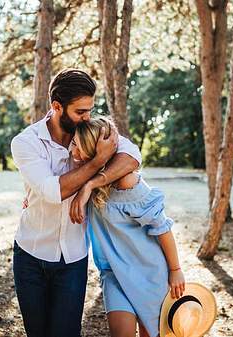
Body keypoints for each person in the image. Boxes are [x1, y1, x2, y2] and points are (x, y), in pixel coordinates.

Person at [10, 68, 142, 337]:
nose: (87, 117)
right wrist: (96, 161)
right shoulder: (26, 142)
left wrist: (91, 184)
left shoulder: (91, 132)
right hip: (30, 256)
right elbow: (52, 190)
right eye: (80, 111)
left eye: (90, 110)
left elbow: (132, 156)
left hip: (73, 258)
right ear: (57, 107)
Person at [69, 116, 185, 337]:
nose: (73, 152)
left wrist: (175, 270)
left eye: (79, 147)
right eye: (73, 143)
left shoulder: (126, 181)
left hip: (148, 272)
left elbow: (162, 227)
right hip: (113, 274)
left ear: (96, 152)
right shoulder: (84, 177)